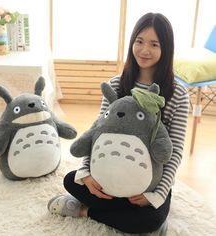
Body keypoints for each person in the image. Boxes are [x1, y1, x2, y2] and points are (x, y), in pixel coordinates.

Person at [47, 12, 189, 235]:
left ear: (166, 49)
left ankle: (87, 211)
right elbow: (97, 131)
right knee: (71, 180)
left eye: (154, 44)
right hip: (109, 174)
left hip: (147, 181)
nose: (144, 50)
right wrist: (87, 172)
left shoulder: (177, 94)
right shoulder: (116, 84)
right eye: (139, 41)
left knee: (151, 218)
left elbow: (176, 150)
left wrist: (157, 194)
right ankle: (118, 215)